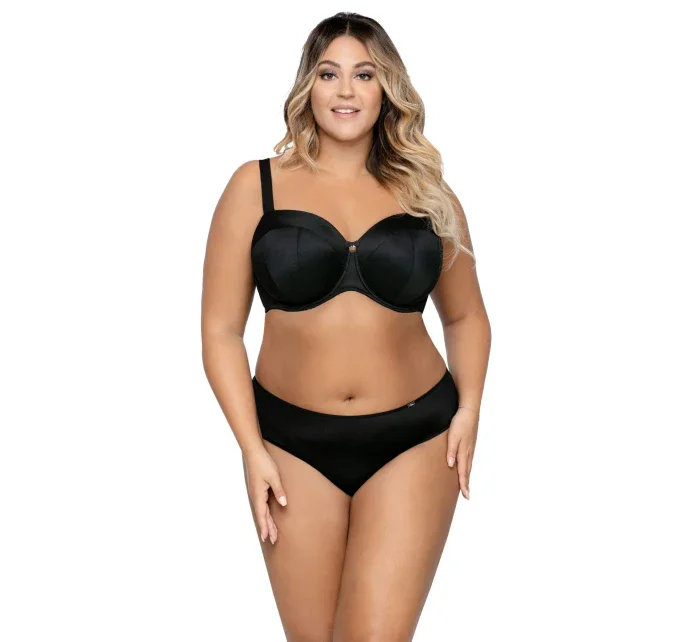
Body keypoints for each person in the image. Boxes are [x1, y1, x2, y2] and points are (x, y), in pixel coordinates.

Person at [201, 11, 491, 641]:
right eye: (330, 74)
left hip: (417, 437)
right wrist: (251, 448)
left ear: (387, 88)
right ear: (308, 86)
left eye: (364, 74)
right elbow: (220, 330)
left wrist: (469, 409)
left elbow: (466, 314)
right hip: (290, 444)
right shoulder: (255, 186)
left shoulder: (427, 193)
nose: (346, 91)